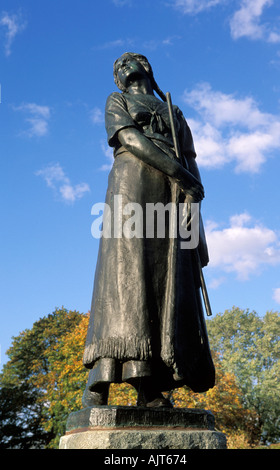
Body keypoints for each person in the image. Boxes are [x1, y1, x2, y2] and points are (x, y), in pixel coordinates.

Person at [82, 52, 215, 408]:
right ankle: (102, 376)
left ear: (147, 68)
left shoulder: (174, 112)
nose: (123, 67)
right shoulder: (118, 101)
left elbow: (190, 160)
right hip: (132, 186)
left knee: (165, 284)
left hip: (174, 194)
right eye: (117, 67)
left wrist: (194, 201)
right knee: (126, 279)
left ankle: (151, 386)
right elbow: (129, 139)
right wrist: (180, 173)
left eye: (129, 61)